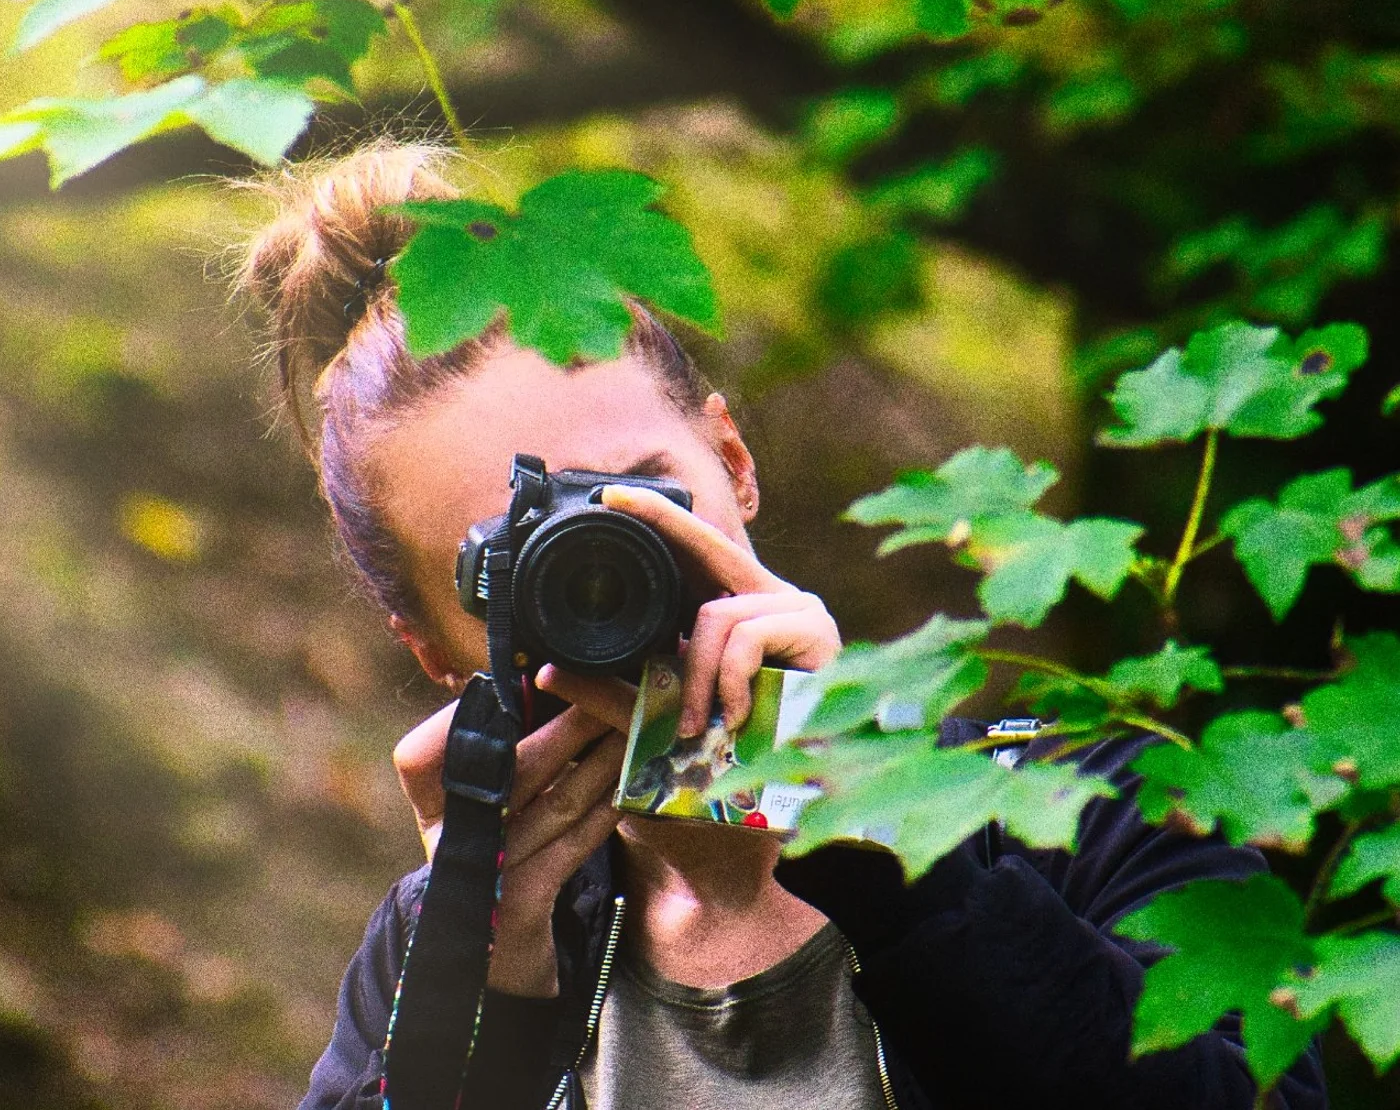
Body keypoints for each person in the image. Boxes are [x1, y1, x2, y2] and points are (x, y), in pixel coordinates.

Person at [234, 142, 1328, 1110]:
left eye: (646, 501)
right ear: (429, 644)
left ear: (735, 462)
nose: (611, 577)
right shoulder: (447, 948)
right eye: (525, 561)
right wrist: (476, 1015)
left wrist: (882, 825)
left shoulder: (1084, 808)